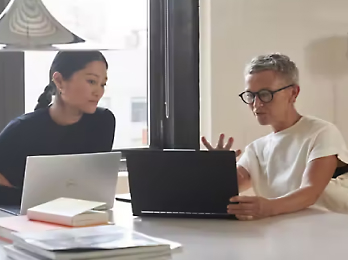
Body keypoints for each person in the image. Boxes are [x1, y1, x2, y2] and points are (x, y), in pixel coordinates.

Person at [202, 53, 348, 220]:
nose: (256, 104)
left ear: (293, 93)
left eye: (265, 94)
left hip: (334, 232)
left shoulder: (321, 132)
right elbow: (231, 187)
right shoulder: (256, 149)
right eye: (250, 96)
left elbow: (310, 192)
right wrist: (218, 169)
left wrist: (268, 207)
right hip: (287, 234)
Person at [0, 50, 116, 205]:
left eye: (103, 84)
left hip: (81, 214)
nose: (99, 92)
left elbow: (94, 182)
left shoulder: (103, 122)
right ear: (60, 81)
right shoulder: (21, 129)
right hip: (23, 217)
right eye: (92, 81)